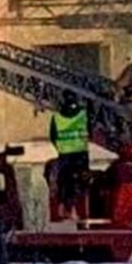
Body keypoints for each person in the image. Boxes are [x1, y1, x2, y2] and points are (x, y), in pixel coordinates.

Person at [48, 92, 90, 220]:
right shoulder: (83, 114)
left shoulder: (56, 117)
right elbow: (91, 130)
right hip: (80, 154)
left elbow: (53, 136)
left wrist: (61, 147)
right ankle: (76, 210)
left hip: (64, 154)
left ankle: (64, 208)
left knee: (65, 182)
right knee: (80, 183)